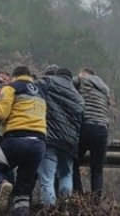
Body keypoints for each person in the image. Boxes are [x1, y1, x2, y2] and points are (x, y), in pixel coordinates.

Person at [0, 65, 46, 216]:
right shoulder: (41, 92)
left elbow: (0, 114)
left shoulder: (11, 88)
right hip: (38, 142)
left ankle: (2, 184)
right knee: (23, 191)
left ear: (14, 76)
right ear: (30, 76)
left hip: (15, 138)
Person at [36, 65, 84, 205]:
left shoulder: (49, 81)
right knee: (66, 174)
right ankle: (65, 209)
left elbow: (32, 86)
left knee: (47, 178)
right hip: (69, 142)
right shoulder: (78, 96)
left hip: (51, 138)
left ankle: (49, 212)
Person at [73, 67, 112, 197]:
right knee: (97, 169)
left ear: (84, 74)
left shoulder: (83, 80)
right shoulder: (105, 89)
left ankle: (79, 196)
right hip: (102, 129)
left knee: (72, 161)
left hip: (87, 125)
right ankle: (95, 203)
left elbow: (65, 83)